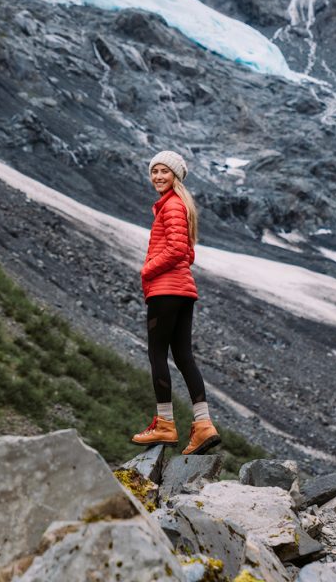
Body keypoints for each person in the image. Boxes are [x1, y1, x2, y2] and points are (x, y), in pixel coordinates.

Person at [131, 149, 220, 456]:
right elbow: (189, 253)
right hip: (183, 291)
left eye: (164, 171)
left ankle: (165, 424)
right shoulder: (180, 206)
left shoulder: (170, 205)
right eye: (154, 171)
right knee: (183, 356)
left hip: (165, 291)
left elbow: (177, 250)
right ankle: (203, 424)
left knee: (157, 352)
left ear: (176, 176)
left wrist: (147, 269)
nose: (158, 176)